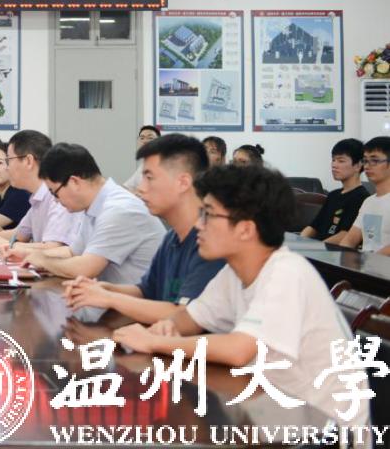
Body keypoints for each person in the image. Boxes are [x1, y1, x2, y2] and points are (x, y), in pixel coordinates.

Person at [112, 164, 368, 430]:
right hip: (270, 411)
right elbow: (191, 317)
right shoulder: (234, 271)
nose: (198, 225)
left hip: (326, 430)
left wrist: (155, 342)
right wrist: (169, 326)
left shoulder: (288, 273)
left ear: (245, 229)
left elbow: (238, 349)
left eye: (208, 214)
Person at [64, 134, 225, 324]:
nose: (140, 188)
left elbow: (186, 315)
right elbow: (145, 291)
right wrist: (102, 289)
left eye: (149, 178)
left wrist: (111, 298)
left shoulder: (212, 241)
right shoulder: (172, 237)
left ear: (183, 182)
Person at [21, 143, 164, 284]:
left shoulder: (118, 210)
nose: (55, 201)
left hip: (135, 298)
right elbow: (73, 252)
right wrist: (29, 255)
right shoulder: (93, 206)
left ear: (74, 182)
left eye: (54, 193)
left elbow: (85, 268)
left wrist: (43, 261)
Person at [304, 138, 369, 241]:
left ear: (358, 165)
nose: (334, 165)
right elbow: (314, 226)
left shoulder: (362, 197)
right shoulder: (333, 195)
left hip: (334, 249)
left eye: (341, 161)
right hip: (318, 247)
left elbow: (345, 234)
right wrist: (299, 242)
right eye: (333, 160)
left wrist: (318, 247)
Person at [334, 136, 390, 254]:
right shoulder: (368, 202)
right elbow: (350, 240)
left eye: (374, 160)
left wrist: (370, 261)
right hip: (366, 263)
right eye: (365, 161)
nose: (367, 166)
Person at [122, 125, 160, 190]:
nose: (145, 141)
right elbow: (127, 186)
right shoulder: (143, 165)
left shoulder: (164, 163)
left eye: (150, 138)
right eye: (142, 138)